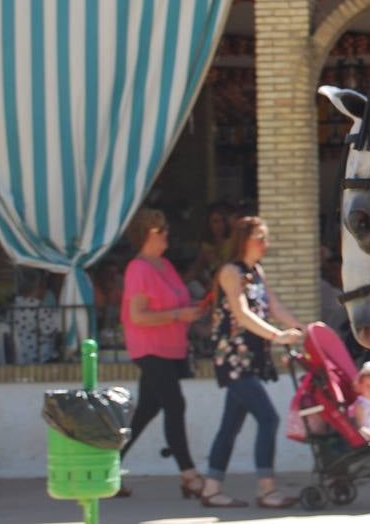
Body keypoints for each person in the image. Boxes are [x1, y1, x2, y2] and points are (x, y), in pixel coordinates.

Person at [200, 216, 305, 509]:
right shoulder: (230, 272)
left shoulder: (256, 271)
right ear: (244, 239)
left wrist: (305, 329)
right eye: (260, 238)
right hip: (234, 358)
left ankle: (210, 488)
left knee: (229, 426)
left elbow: (274, 306)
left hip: (250, 358)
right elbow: (242, 314)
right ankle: (266, 489)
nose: (265, 244)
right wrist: (278, 335)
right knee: (268, 419)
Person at [116, 208, 207, 499]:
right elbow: (138, 316)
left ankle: (107, 468)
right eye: (160, 230)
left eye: (166, 228)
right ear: (146, 235)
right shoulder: (138, 269)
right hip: (150, 348)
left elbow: (177, 305)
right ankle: (189, 475)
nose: (167, 233)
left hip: (170, 348)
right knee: (175, 405)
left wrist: (193, 314)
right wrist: (179, 314)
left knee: (145, 411)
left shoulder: (165, 265)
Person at [10, 268, 60, 364]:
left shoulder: (15, 304)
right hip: (38, 357)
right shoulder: (37, 307)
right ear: (38, 286)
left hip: (20, 355)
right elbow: (53, 328)